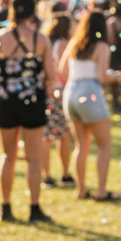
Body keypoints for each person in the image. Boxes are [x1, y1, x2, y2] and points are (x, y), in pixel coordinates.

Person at [0, 0, 54, 223]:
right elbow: (50, 75)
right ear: (33, 11)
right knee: (33, 158)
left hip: (5, 101)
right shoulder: (41, 40)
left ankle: (5, 207)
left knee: (8, 155)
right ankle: (34, 208)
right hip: (33, 100)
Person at [59, 10, 121, 201]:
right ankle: (100, 191)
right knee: (104, 144)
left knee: (81, 146)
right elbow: (102, 76)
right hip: (90, 91)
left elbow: (62, 69)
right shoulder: (101, 46)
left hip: (71, 92)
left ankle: (81, 190)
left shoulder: (74, 43)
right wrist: (119, 76)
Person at [42, 11, 74, 188]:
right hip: (60, 92)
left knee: (46, 136)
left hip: (47, 91)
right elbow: (64, 70)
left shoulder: (46, 42)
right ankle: (65, 173)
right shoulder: (64, 44)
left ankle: (47, 175)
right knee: (64, 135)